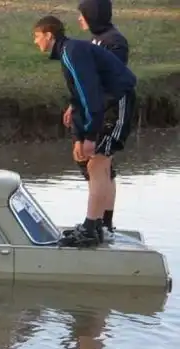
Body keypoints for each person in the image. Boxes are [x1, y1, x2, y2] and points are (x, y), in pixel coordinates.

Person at [32, 15, 137, 247]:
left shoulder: (71, 52)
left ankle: (92, 228)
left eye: (37, 36)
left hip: (117, 101)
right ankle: (96, 225)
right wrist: (79, 135)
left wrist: (89, 137)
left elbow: (90, 96)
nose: (35, 41)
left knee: (98, 163)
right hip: (108, 102)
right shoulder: (68, 51)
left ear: (49, 35)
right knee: (97, 164)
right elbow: (79, 95)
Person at [62, 0, 130, 241]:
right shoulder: (96, 39)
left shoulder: (115, 41)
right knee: (102, 167)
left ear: (93, 15)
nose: (79, 19)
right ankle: (101, 224)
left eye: (82, 15)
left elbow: (109, 81)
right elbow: (87, 79)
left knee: (98, 165)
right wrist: (75, 105)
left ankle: (96, 226)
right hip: (99, 107)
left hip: (111, 109)